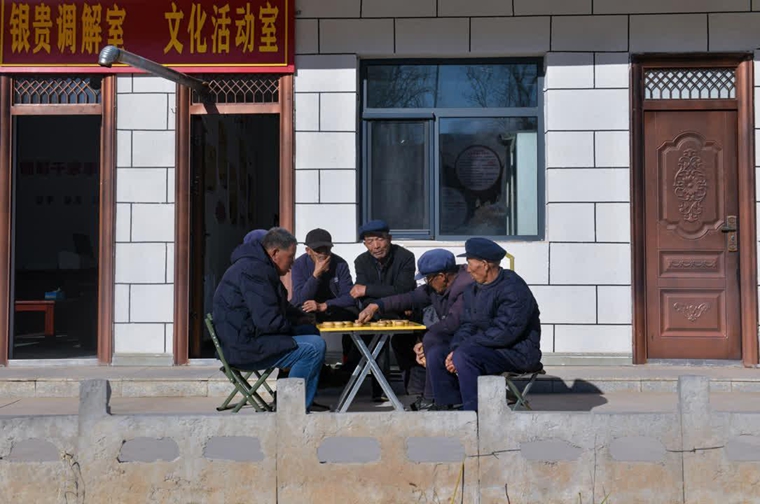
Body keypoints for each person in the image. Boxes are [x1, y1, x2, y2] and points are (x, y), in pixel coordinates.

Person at [212, 227, 326, 410]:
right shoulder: (254, 271)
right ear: (275, 253)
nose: (293, 262)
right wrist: (292, 326)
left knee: (309, 331)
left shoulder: (258, 267)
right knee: (313, 347)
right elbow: (268, 322)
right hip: (244, 348)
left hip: (248, 338)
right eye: (290, 256)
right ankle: (292, 409)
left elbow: (279, 306)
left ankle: (289, 398)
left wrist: (301, 318)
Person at [426, 238, 542, 412]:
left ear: (485, 265)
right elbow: (467, 325)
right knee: (437, 353)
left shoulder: (513, 288)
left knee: (464, 356)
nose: (467, 269)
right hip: (485, 348)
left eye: (469, 263)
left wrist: (462, 349)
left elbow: (505, 332)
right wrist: (455, 347)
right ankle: (449, 408)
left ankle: (473, 412)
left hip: (515, 353)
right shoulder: (472, 290)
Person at [357, 249, 473, 411]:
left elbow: (453, 323)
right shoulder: (435, 288)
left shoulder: (464, 288)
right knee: (405, 341)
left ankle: (433, 397)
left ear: (442, 276)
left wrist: (424, 340)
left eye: (428, 278)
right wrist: (377, 305)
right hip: (451, 335)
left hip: (469, 337)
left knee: (432, 343)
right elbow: (410, 298)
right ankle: (421, 393)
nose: (427, 282)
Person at [350, 219, 417, 401]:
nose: (376, 246)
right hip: (375, 312)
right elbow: (362, 295)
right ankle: (380, 391)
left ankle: (414, 390)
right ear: (365, 244)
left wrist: (368, 290)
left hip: (402, 309)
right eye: (370, 241)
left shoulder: (405, 257)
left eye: (380, 239)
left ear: (389, 239)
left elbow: (403, 290)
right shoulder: (361, 261)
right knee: (374, 335)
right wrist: (372, 296)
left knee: (406, 341)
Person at [290, 228, 356, 322]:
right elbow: (301, 299)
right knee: (299, 313)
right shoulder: (299, 264)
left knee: (352, 312)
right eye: (318, 251)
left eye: (326, 250)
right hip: (309, 307)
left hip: (331, 307)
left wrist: (324, 305)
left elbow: (350, 297)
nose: (323, 254)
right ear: (308, 251)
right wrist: (316, 275)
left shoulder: (340, 264)